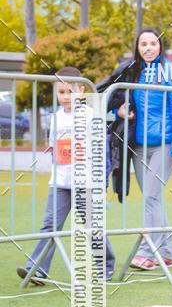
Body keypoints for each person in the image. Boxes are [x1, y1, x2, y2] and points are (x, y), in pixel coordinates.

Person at [99, 27, 172, 270]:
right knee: (152, 198)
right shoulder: (132, 71)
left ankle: (148, 252)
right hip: (138, 145)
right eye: (144, 44)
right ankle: (166, 253)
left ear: (161, 46)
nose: (148, 48)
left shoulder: (171, 71)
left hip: (164, 145)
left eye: (153, 44)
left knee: (151, 197)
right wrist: (117, 110)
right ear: (137, 48)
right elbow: (116, 97)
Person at [17, 66, 115, 284]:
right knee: (50, 225)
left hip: (85, 181)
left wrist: (100, 182)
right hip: (59, 182)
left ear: (81, 90)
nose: (65, 96)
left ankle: (105, 265)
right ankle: (37, 269)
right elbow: (55, 147)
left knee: (91, 226)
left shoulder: (91, 116)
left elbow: (101, 151)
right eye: (61, 92)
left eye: (70, 92)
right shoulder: (55, 118)